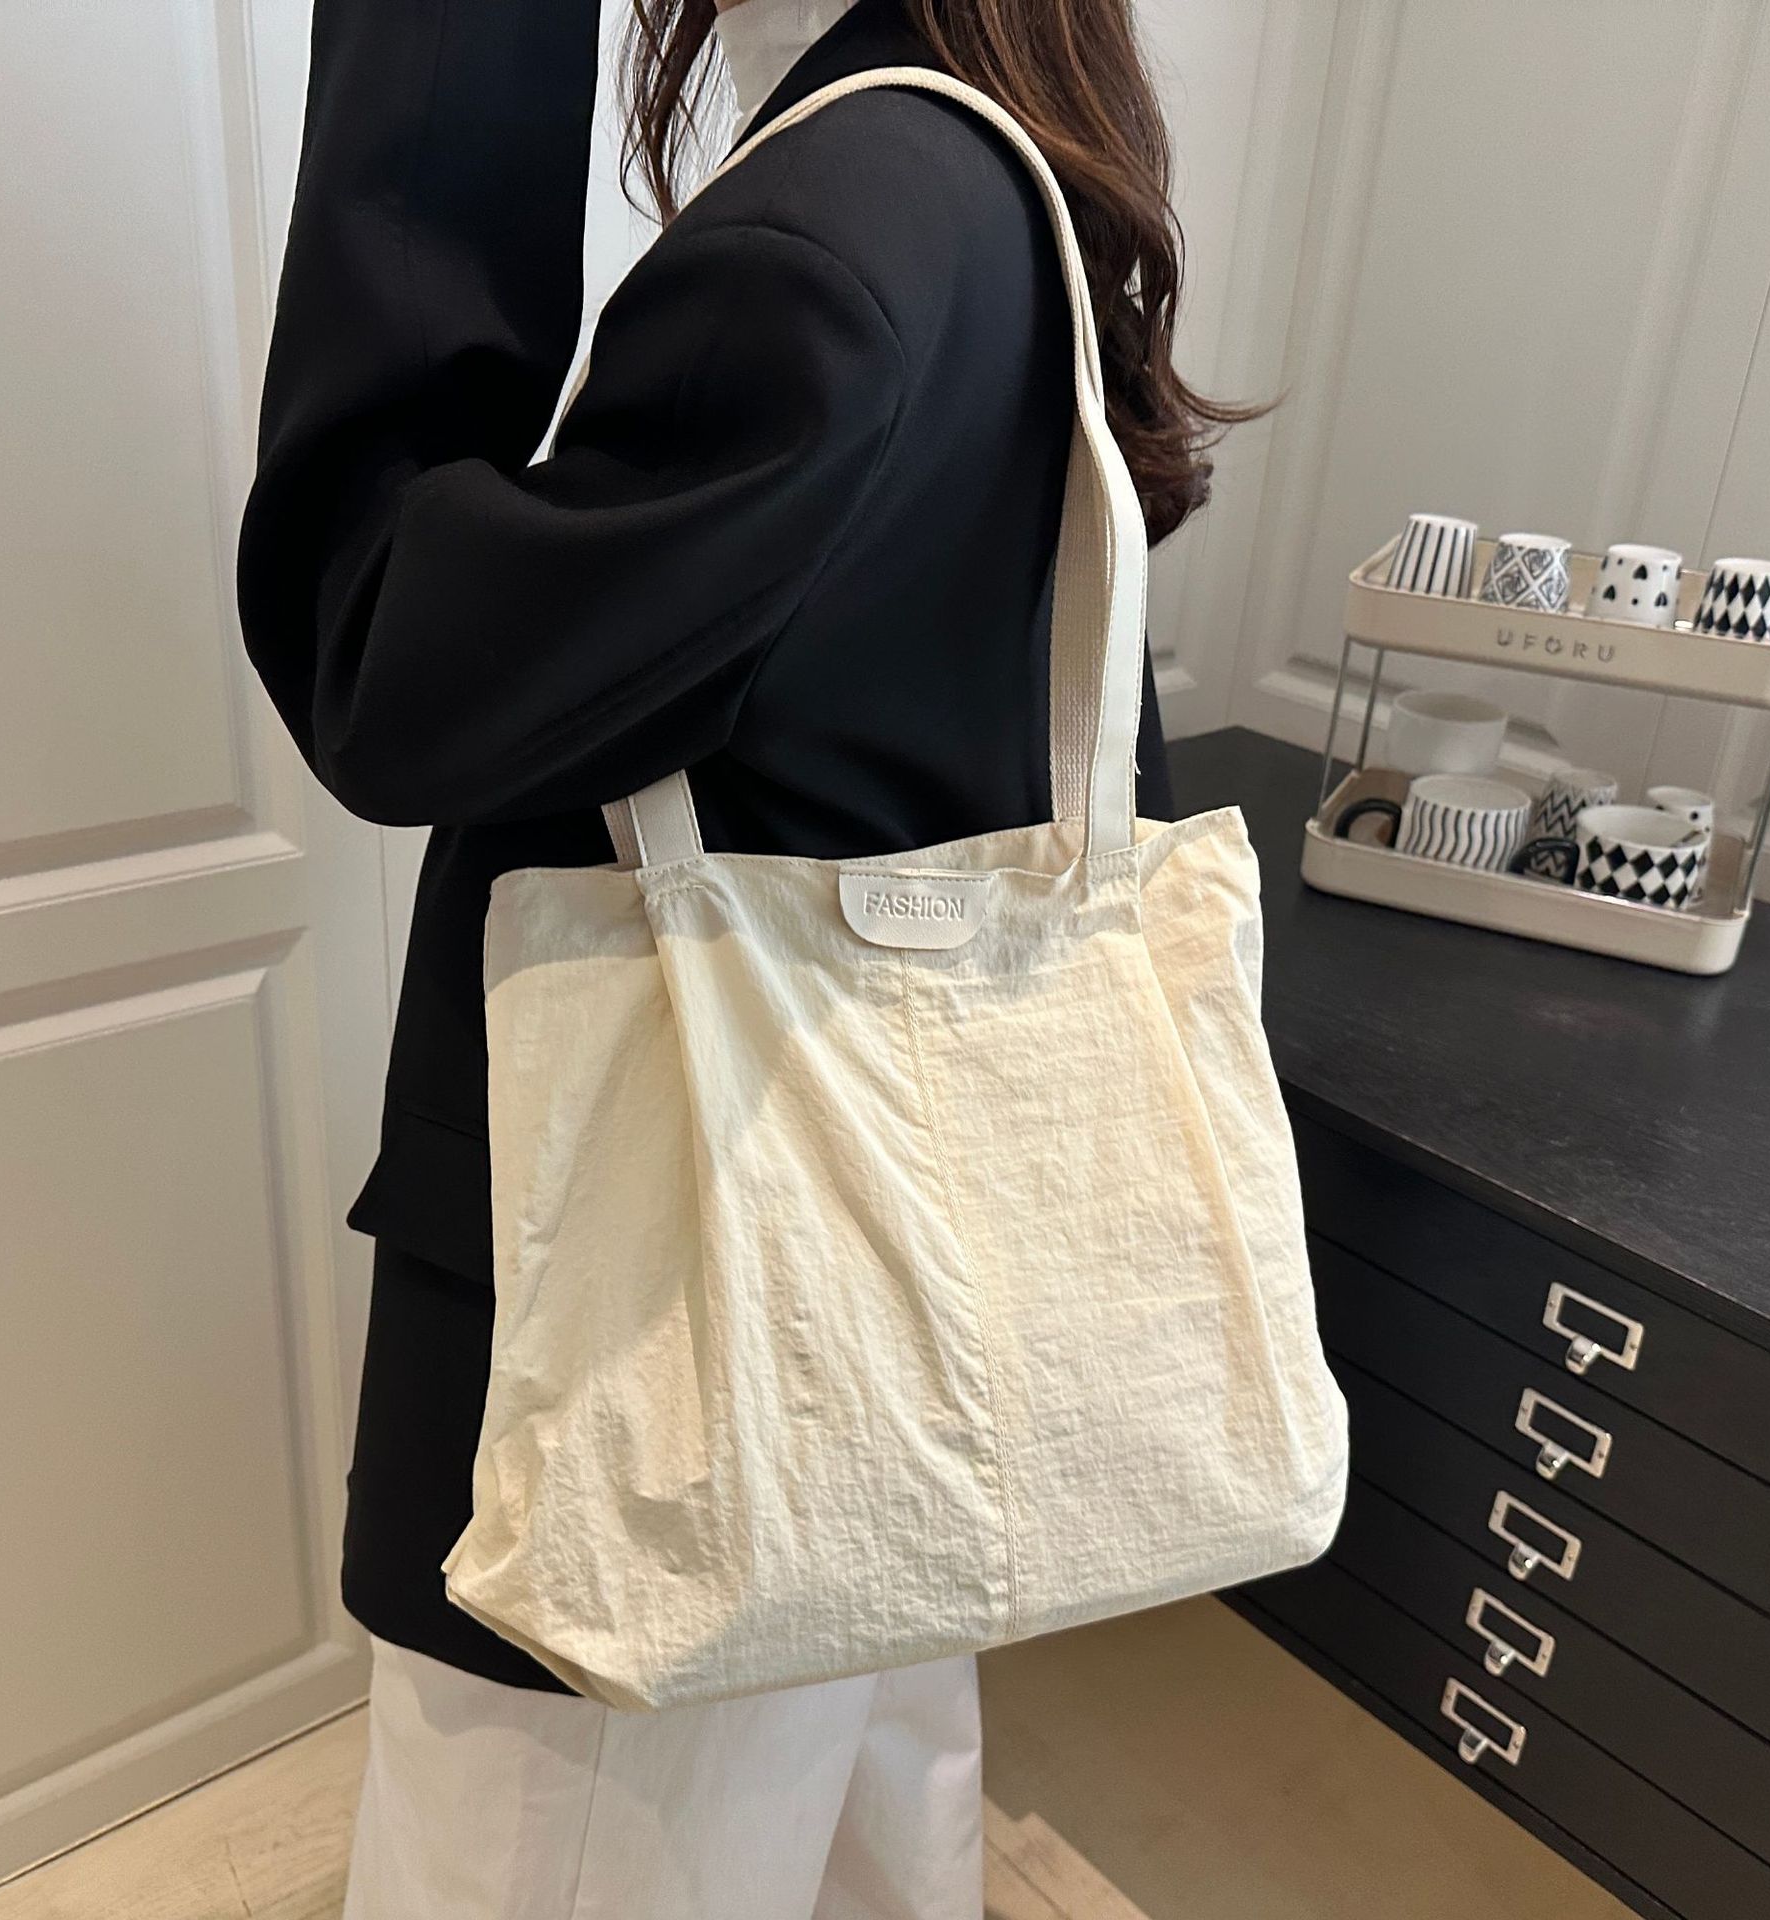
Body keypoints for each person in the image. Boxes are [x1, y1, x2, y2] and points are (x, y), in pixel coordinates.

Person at [238, 0, 1245, 1910]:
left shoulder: (823, 239)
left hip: (672, 1398)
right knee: (864, 1839)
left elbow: (380, 654)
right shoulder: (998, 173)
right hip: (880, 1339)